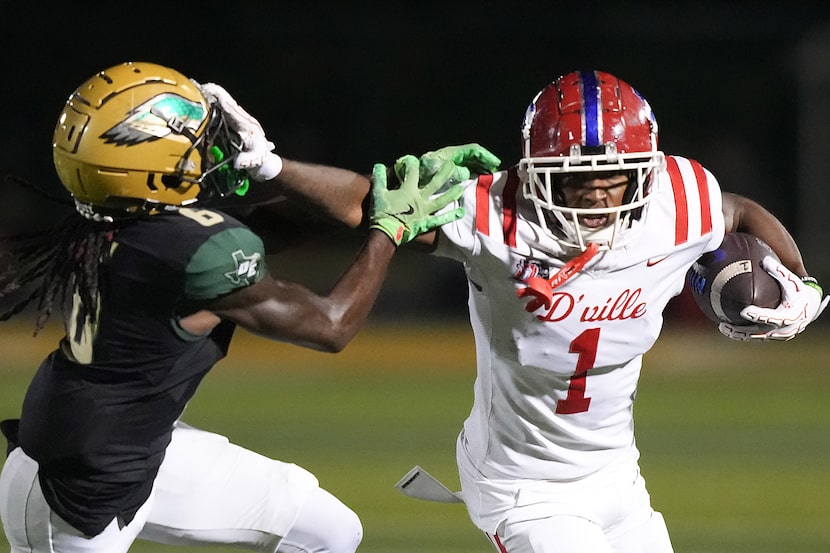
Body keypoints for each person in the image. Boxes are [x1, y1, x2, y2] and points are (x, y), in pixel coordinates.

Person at [205, 69, 828, 552]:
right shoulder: (497, 215)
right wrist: (272, 166)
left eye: (612, 179)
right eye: (573, 180)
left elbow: (739, 209)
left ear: (647, 173)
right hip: (525, 486)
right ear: (533, 173)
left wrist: (794, 279)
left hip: (618, 477)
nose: (592, 197)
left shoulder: (678, 199)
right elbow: (368, 200)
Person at [0, 61, 467, 553]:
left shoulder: (128, 224)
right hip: (74, 493)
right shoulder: (184, 248)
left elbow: (293, 221)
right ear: (151, 163)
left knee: (329, 530)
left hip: (136, 450)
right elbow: (331, 326)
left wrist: (287, 169)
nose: (210, 146)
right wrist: (388, 231)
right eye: (195, 138)